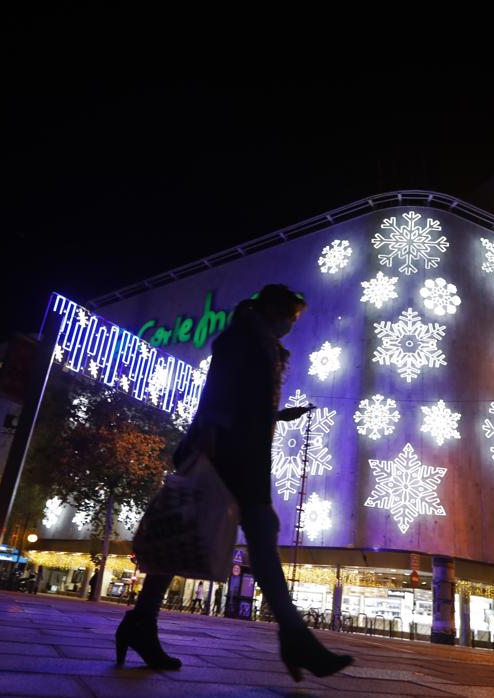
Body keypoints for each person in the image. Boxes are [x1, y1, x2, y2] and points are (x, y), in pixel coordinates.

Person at [116, 284, 353, 682]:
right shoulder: (243, 337)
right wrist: (208, 433)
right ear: (274, 311)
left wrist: (275, 418)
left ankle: (142, 620)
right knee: (260, 536)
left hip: (243, 451)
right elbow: (217, 389)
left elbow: (246, 403)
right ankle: (294, 636)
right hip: (228, 452)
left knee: (193, 533)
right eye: (291, 318)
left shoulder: (259, 341)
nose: (290, 327)